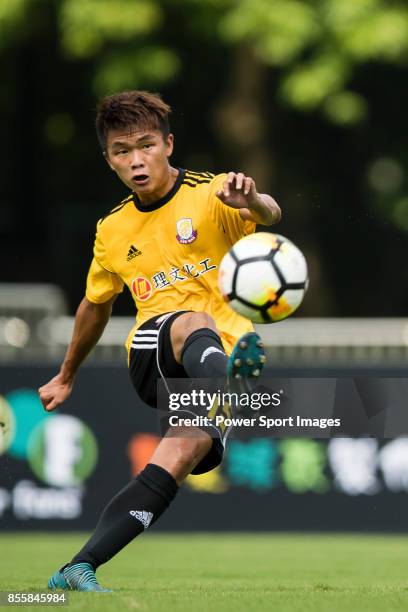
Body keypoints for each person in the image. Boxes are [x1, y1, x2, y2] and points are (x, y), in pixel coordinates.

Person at [39, 90, 281, 592]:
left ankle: (78, 567)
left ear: (168, 145)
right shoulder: (112, 230)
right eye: (122, 151)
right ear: (109, 160)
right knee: (193, 320)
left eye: (145, 145)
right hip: (156, 354)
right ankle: (231, 382)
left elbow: (271, 214)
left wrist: (252, 200)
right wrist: (66, 375)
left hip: (217, 356)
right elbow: (94, 305)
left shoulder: (213, 194)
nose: (135, 160)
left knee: (181, 453)